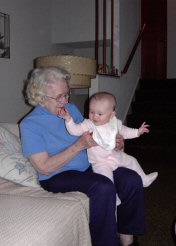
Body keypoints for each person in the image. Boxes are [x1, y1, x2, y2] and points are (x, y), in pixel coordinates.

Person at [20, 66, 146, 246]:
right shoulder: (30, 125)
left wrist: (115, 143)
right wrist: (79, 145)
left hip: (89, 166)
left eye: (66, 94)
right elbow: (44, 167)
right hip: (57, 176)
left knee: (131, 179)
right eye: (58, 97)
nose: (65, 101)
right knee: (103, 187)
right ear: (40, 98)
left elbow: (94, 133)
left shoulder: (71, 109)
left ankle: (128, 241)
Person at [58, 91, 158, 187]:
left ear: (111, 115)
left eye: (100, 114)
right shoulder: (88, 124)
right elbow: (75, 130)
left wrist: (138, 132)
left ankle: (144, 180)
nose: (94, 116)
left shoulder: (115, 123)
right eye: (91, 112)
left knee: (132, 161)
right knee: (107, 181)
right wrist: (68, 120)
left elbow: (125, 131)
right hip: (100, 162)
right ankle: (114, 199)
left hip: (116, 156)